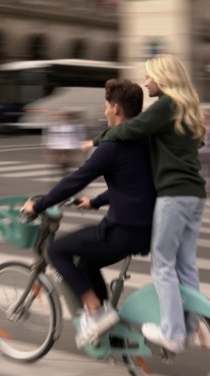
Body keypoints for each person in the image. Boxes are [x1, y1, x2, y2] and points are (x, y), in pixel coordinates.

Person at [83, 54, 207, 353]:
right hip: (195, 195)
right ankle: (188, 327)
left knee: (162, 264)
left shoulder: (166, 105)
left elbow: (131, 129)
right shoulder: (188, 109)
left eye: (150, 76)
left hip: (174, 194)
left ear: (163, 78)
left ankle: (173, 334)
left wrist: (99, 140)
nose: (146, 81)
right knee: (185, 264)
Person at [22, 79, 156, 348]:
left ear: (116, 108)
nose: (104, 111)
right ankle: (112, 333)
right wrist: (94, 202)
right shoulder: (144, 139)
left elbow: (75, 179)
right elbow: (131, 185)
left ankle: (95, 312)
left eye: (106, 106)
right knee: (87, 263)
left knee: (57, 250)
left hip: (122, 231)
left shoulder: (112, 146)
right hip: (145, 230)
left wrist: (37, 206)